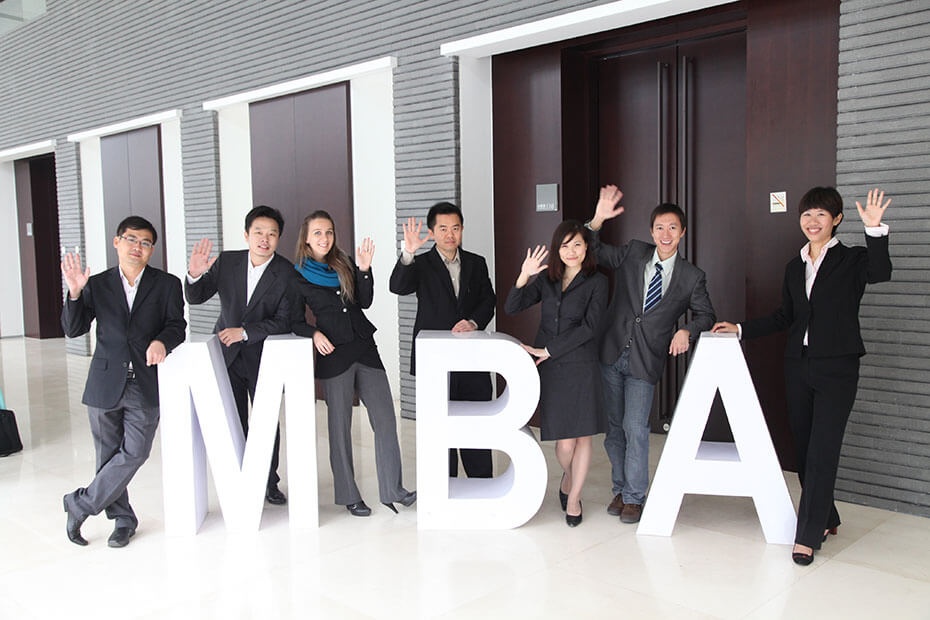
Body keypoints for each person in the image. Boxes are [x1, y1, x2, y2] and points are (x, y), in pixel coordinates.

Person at [712, 187, 892, 565]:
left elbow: (881, 272)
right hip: (798, 365)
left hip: (838, 368)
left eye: (821, 215)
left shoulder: (851, 259)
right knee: (805, 448)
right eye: (807, 214)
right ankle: (827, 515)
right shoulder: (794, 266)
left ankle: (807, 535)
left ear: (836, 219)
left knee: (823, 450)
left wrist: (875, 230)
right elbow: (786, 316)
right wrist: (741, 329)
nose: (812, 221)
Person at [589, 185, 716, 524]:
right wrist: (598, 219)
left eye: (672, 227)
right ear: (651, 231)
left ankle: (634, 497)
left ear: (682, 232)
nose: (665, 234)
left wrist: (686, 330)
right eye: (660, 227)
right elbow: (594, 250)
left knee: (636, 428)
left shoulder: (692, 277)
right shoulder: (633, 252)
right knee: (614, 429)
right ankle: (620, 489)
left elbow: (707, 314)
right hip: (612, 351)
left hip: (645, 360)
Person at [61, 216, 186, 547]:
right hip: (104, 382)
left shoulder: (167, 284)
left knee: (135, 452)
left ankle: (79, 504)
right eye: (131, 239)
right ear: (117, 242)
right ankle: (123, 520)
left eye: (145, 243)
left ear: (152, 249)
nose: (137, 247)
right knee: (107, 457)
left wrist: (162, 341)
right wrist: (75, 293)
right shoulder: (97, 284)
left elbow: (177, 325)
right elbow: (73, 329)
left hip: (144, 382)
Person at [291, 211, 415, 517]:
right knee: (340, 427)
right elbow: (293, 319)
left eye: (329, 232)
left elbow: (365, 301)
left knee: (385, 419)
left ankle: (394, 490)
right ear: (306, 238)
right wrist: (314, 333)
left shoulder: (344, 262)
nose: (324, 238)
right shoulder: (297, 275)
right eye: (318, 233)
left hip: (365, 348)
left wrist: (364, 269)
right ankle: (349, 495)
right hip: (334, 354)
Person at [185, 205, 296, 505]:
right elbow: (196, 297)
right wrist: (194, 274)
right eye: (258, 232)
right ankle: (240, 479)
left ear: (278, 238)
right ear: (246, 235)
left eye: (272, 234)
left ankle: (269, 482)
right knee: (233, 419)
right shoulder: (227, 261)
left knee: (265, 423)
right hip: (228, 356)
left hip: (264, 358)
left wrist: (245, 332)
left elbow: (285, 321)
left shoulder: (286, 272)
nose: (265, 239)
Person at [504, 220, 607, 527]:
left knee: (582, 437)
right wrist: (524, 275)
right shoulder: (548, 280)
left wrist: (549, 349)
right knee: (564, 444)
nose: (571, 251)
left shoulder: (598, 281)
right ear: (557, 249)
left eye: (577, 244)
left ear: (586, 247)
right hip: (553, 370)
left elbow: (590, 327)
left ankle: (574, 498)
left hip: (582, 365)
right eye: (565, 245)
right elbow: (512, 307)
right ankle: (569, 476)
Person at [389, 202, 497, 478]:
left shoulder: (476, 262)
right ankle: (445, 486)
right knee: (440, 429)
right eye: (443, 228)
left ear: (462, 230)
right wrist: (408, 253)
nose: (450, 234)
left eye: (456, 228)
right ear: (432, 231)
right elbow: (397, 286)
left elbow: (488, 300)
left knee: (475, 427)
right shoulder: (421, 264)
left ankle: (480, 484)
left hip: (472, 360)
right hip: (435, 361)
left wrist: (473, 322)